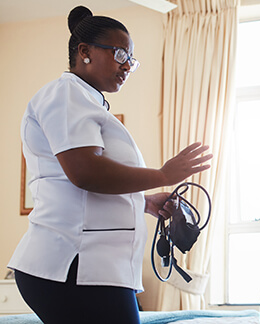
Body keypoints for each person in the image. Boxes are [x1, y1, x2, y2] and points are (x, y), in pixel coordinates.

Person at [7, 6, 212, 324]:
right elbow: (85, 172)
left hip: (93, 266)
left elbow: (82, 190)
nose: (128, 65)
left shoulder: (88, 101)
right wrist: (162, 175)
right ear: (84, 51)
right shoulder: (65, 93)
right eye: (120, 54)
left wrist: (144, 202)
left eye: (131, 59)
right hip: (71, 264)